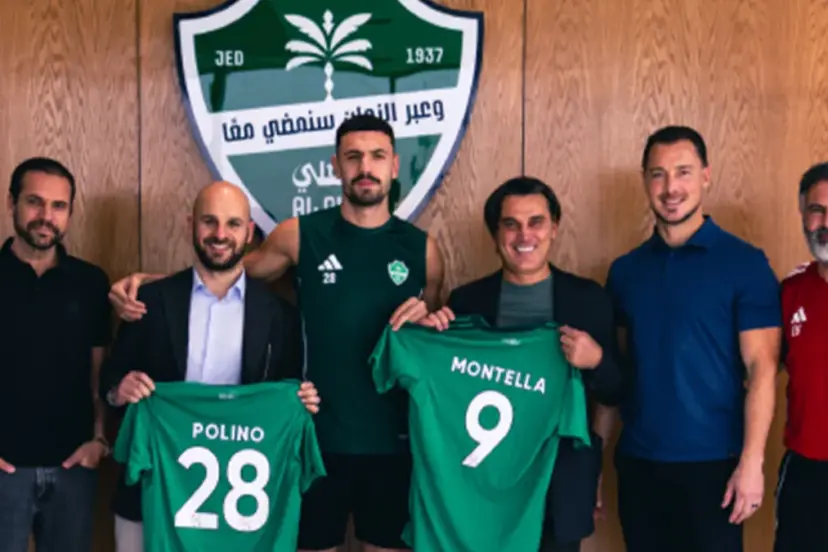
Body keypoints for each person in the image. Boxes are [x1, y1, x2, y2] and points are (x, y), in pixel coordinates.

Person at [107, 114, 444, 552]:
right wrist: (150, 284)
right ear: (335, 166)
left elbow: (434, 344)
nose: (365, 167)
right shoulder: (298, 235)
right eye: (353, 156)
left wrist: (433, 320)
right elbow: (222, 269)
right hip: (312, 437)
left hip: (393, 441)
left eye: (377, 156)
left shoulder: (423, 250)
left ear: (394, 165)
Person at [98, 181, 321, 552]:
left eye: (233, 224)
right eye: (209, 221)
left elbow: (290, 391)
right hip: (150, 495)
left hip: (242, 511)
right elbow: (110, 376)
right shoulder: (148, 302)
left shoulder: (279, 316)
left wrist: (303, 399)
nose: (220, 234)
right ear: (191, 225)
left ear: (249, 233)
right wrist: (118, 390)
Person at [416, 176, 622, 552]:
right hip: (485, 486)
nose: (524, 235)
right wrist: (433, 336)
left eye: (536, 222)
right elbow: (446, 395)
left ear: (554, 228)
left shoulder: (588, 300)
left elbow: (613, 394)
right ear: (495, 234)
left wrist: (596, 361)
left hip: (560, 485)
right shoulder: (467, 303)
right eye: (511, 224)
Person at [604, 125, 781, 552]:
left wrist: (752, 463)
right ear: (645, 180)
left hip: (715, 468)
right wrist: (593, 459)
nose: (671, 188)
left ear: (706, 176)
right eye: (658, 174)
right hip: (640, 464)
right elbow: (616, 376)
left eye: (683, 172)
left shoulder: (745, 263)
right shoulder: (625, 271)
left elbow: (762, 368)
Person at [0, 157, 112, 552]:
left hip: (73, 469)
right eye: (35, 202)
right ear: (11, 203)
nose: (46, 216)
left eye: (58, 206)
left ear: (70, 213)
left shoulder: (91, 282)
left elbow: (99, 374)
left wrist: (99, 438)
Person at [774, 162, 828, 552]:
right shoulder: (789, 292)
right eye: (817, 210)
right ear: (802, 213)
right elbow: (757, 374)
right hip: (806, 473)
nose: (826, 222)